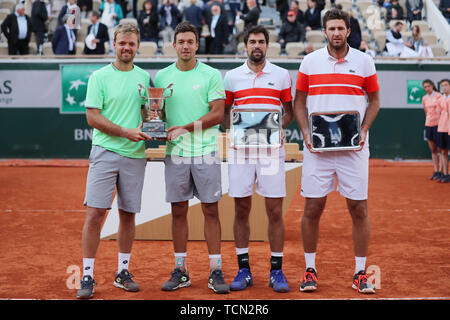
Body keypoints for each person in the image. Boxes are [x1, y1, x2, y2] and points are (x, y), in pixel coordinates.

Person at [294, 8, 380, 294]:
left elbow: (375, 99)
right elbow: (299, 102)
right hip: (318, 149)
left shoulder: (365, 62)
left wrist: (364, 128)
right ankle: (310, 270)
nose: (336, 33)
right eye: (331, 29)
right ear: (325, 31)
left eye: (341, 28)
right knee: (313, 207)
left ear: (349, 30)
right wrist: (306, 132)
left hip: (353, 148)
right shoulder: (309, 62)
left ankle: (359, 272)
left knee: (358, 207)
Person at [76, 22, 151, 299]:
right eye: (122, 43)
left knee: (128, 214)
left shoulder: (144, 77)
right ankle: (87, 274)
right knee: (96, 213)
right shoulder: (99, 77)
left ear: (137, 46)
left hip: (134, 155)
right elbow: (92, 117)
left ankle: (122, 271)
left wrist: (154, 121)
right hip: (105, 151)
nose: (127, 48)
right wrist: (124, 132)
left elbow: (150, 112)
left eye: (131, 44)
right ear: (114, 44)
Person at [154, 22, 229, 294]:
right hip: (176, 154)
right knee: (178, 211)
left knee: (211, 210)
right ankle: (181, 269)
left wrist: (185, 128)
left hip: (205, 151)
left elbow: (217, 115)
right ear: (173, 45)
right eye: (181, 41)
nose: (185, 46)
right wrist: (155, 126)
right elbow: (157, 116)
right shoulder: (161, 77)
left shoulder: (211, 74)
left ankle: (215, 269)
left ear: (197, 45)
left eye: (190, 41)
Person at [223, 25, 294, 293]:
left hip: (271, 151)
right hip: (241, 152)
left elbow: (288, 113)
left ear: (267, 45)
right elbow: (225, 113)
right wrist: (237, 131)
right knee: (241, 208)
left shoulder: (282, 75)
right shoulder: (231, 77)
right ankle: (244, 269)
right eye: (252, 41)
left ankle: (277, 270)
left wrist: (277, 129)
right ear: (245, 46)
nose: (257, 46)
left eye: (261, 42)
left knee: (275, 211)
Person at [422, 79, 443, 181]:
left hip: (439, 125)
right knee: (433, 149)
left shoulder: (439, 96)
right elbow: (426, 111)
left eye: (428, 86)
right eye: (425, 87)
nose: (427, 89)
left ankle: (442, 171)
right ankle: (436, 171)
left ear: (432, 86)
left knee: (441, 149)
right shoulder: (424, 98)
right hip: (429, 125)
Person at [436, 79, 450, 183]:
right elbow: (438, 112)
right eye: (442, 86)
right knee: (443, 151)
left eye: (446, 85)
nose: (444, 87)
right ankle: (445, 174)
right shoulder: (440, 99)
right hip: (442, 127)